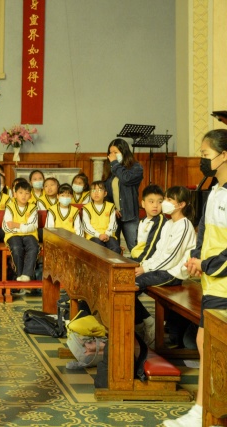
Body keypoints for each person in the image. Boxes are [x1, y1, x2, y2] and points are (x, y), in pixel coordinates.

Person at [164, 129, 227, 427]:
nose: (202, 160)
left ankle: (206, 411)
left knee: (209, 344)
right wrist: (196, 257)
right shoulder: (214, 190)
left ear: (224, 155)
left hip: (223, 283)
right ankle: (203, 409)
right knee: (205, 343)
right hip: (211, 282)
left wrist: (208, 264)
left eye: (205, 154)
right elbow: (204, 229)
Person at [133, 186, 196, 347]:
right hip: (161, 269)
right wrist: (144, 265)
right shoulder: (168, 224)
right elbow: (159, 252)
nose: (164, 203)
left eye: (168, 200)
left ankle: (148, 323)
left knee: (131, 285)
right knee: (126, 283)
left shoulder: (184, 225)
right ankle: (143, 322)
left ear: (181, 204)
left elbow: (172, 258)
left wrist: (146, 269)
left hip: (173, 273)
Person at [103, 138, 144, 251]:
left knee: (134, 248)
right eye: (110, 153)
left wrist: (115, 163)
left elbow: (126, 178)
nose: (112, 155)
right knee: (113, 249)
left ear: (124, 152)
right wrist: (112, 208)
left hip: (129, 214)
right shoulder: (110, 168)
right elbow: (105, 191)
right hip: (113, 215)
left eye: (115, 152)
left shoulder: (136, 167)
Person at [2, 180, 39, 282]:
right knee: (16, 248)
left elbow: (33, 226)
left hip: (30, 235)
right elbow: (6, 226)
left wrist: (17, 225)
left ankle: (27, 274)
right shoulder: (10, 206)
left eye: (27, 193)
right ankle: (19, 274)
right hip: (12, 235)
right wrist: (23, 227)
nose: (24, 196)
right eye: (21, 192)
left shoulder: (33, 208)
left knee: (33, 247)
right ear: (15, 194)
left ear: (30, 195)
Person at [81, 180, 121, 254]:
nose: (96, 193)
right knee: (99, 248)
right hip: (93, 236)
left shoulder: (110, 206)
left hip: (108, 235)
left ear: (105, 193)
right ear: (90, 193)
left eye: (99, 190)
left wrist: (107, 234)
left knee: (115, 248)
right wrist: (99, 235)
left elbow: (113, 224)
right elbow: (86, 226)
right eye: (93, 190)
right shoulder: (87, 208)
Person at [130, 185, 167, 263]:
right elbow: (138, 243)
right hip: (139, 257)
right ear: (143, 203)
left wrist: (139, 263)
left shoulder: (160, 220)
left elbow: (152, 247)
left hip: (149, 261)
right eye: (151, 201)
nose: (155, 205)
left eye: (160, 202)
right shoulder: (142, 221)